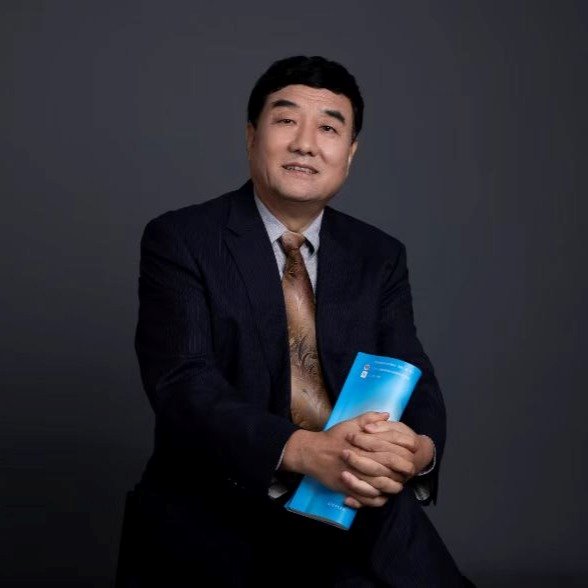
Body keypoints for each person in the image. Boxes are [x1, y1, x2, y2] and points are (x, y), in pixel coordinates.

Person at [115, 55, 474, 587]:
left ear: (349, 154)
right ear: (251, 135)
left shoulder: (378, 255)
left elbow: (410, 368)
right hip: (223, 517)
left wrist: (415, 451)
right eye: (286, 120)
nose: (306, 143)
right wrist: (305, 452)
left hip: (359, 514)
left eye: (329, 128)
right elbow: (183, 384)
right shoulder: (183, 239)